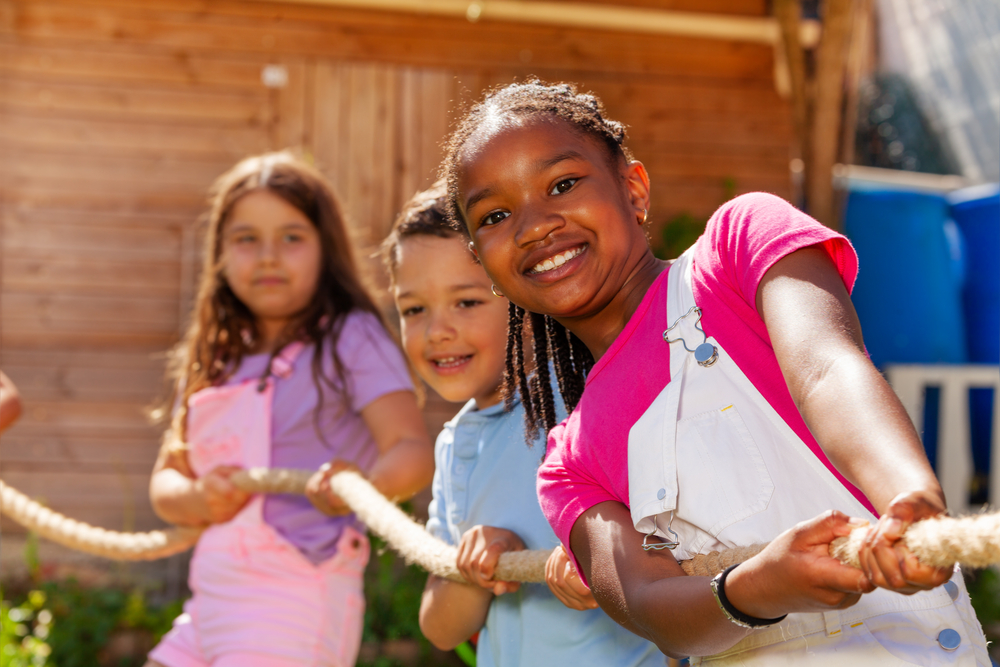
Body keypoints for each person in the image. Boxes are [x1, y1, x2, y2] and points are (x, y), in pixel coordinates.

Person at [439, 80, 990, 665]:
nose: (534, 225)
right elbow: (651, 605)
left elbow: (828, 368)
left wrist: (908, 497)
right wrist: (760, 585)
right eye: (495, 215)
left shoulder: (737, 246)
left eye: (563, 184)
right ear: (485, 266)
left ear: (634, 189)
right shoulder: (568, 466)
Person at [145, 152, 434, 667]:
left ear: (326, 249)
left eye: (292, 237)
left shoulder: (350, 338)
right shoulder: (215, 354)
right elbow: (166, 478)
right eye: (246, 238)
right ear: (221, 253)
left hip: (295, 598)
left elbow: (411, 451)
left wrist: (358, 488)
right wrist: (195, 498)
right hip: (208, 605)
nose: (269, 256)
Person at [380, 181, 661, 667]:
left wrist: (598, 563)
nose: (436, 329)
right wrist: (475, 571)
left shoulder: (584, 399)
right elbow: (442, 628)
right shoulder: (456, 445)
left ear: (519, 290)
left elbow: (676, 553)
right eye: (414, 309)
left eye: (466, 302)